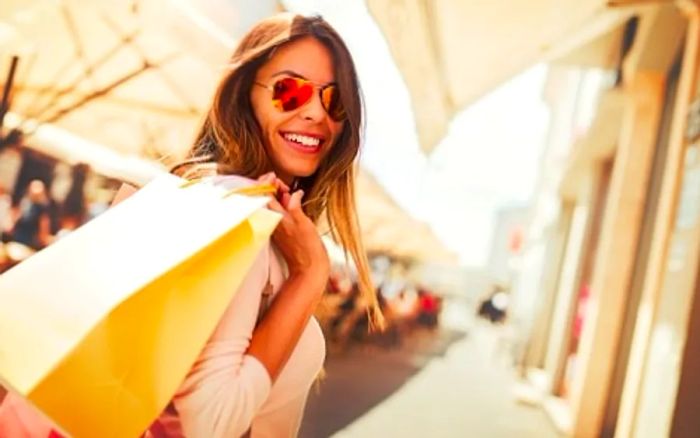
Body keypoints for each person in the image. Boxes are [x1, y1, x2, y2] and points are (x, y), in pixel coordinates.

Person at [0, 13, 383, 438]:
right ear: (245, 97)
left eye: (335, 101)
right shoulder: (238, 215)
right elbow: (212, 423)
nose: (315, 113)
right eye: (289, 91)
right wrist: (310, 277)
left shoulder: (204, 199)